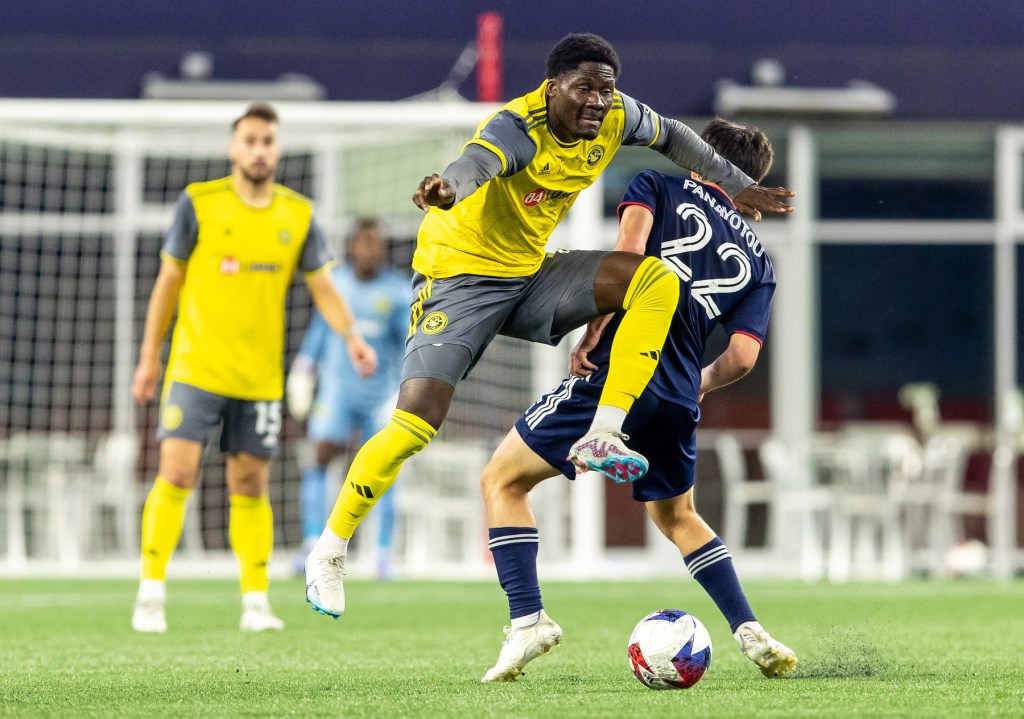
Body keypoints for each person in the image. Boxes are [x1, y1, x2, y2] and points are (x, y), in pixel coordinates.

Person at [304, 33, 795, 619]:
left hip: (530, 275)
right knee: (415, 424)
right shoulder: (518, 126)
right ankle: (331, 549)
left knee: (654, 278)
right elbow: (478, 163)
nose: (596, 101)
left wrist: (741, 186)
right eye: (583, 88)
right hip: (459, 281)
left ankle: (604, 431)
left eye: (605, 89)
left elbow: (676, 137)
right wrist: (448, 187)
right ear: (551, 87)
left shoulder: (616, 115)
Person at [478, 118, 797, 682]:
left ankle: (528, 621)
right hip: (679, 390)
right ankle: (750, 628)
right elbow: (744, 358)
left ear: (701, 160)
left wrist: (593, 326)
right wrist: (695, 383)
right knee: (680, 517)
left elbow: (627, 260)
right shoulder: (761, 264)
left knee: (502, 481)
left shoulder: (658, 184)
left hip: (623, 367)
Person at [129, 102, 376, 634]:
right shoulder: (199, 203)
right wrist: (149, 355)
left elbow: (324, 288)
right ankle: (150, 592)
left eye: (268, 141)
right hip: (194, 370)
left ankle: (256, 601)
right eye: (250, 140)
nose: (259, 150)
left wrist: (352, 337)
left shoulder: (298, 214)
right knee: (176, 472)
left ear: (277, 149)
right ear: (233, 147)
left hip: (259, 379)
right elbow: (167, 284)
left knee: (249, 486)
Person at [286, 219, 410, 579]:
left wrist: (404, 392)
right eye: (363, 243)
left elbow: (408, 346)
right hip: (337, 391)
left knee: (384, 470)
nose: (369, 250)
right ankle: (313, 544)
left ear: (383, 249)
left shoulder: (399, 291)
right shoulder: (335, 285)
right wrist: (303, 367)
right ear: (352, 247)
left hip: (380, 396)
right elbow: (320, 331)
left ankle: (382, 554)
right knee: (320, 458)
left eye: (376, 243)